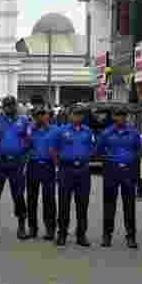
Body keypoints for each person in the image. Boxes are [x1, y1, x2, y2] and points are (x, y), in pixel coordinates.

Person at [0, 95, 31, 239]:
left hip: (16, 163)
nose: (9, 108)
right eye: (7, 106)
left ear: (15, 106)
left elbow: (29, 141)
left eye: (12, 105)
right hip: (0, 162)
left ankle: (22, 226)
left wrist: (24, 157)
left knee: (18, 195)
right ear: (3, 107)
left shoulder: (23, 121)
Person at [51, 103, 96, 247]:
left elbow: (92, 148)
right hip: (66, 170)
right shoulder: (61, 131)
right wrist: (58, 166)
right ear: (69, 115)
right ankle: (62, 234)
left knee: (82, 204)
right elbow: (53, 150)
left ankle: (81, 235)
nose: (78, 116)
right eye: (76, 114)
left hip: (83, 171)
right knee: (64, 204)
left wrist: (85, 158)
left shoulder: (87, 131)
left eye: (81, 114)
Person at [97, 107, 141, 248]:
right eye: (117, 115)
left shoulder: (133, 133)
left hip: (128, 170)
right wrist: (110, 161)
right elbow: (98, 150)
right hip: (112, 170)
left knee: (129, 205)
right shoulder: (106, 133)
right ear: (113, 117)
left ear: (126, 117)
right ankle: (107, 236)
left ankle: (131, 236)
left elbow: (138, 149)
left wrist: (131, 161)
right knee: (109, 204)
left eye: (123, 115)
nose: (120, 118)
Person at [24, 107, 57, 241]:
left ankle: (50, 229)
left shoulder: (55, 131)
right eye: (37, 115)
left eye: (43, 115)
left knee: (49, 199)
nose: (40, 118)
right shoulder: (30, 130)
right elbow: (25, 146)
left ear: (48, 116)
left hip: (48, 166)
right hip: (33, 165)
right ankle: (32, 228)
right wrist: (30, 131)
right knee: (31, 199)